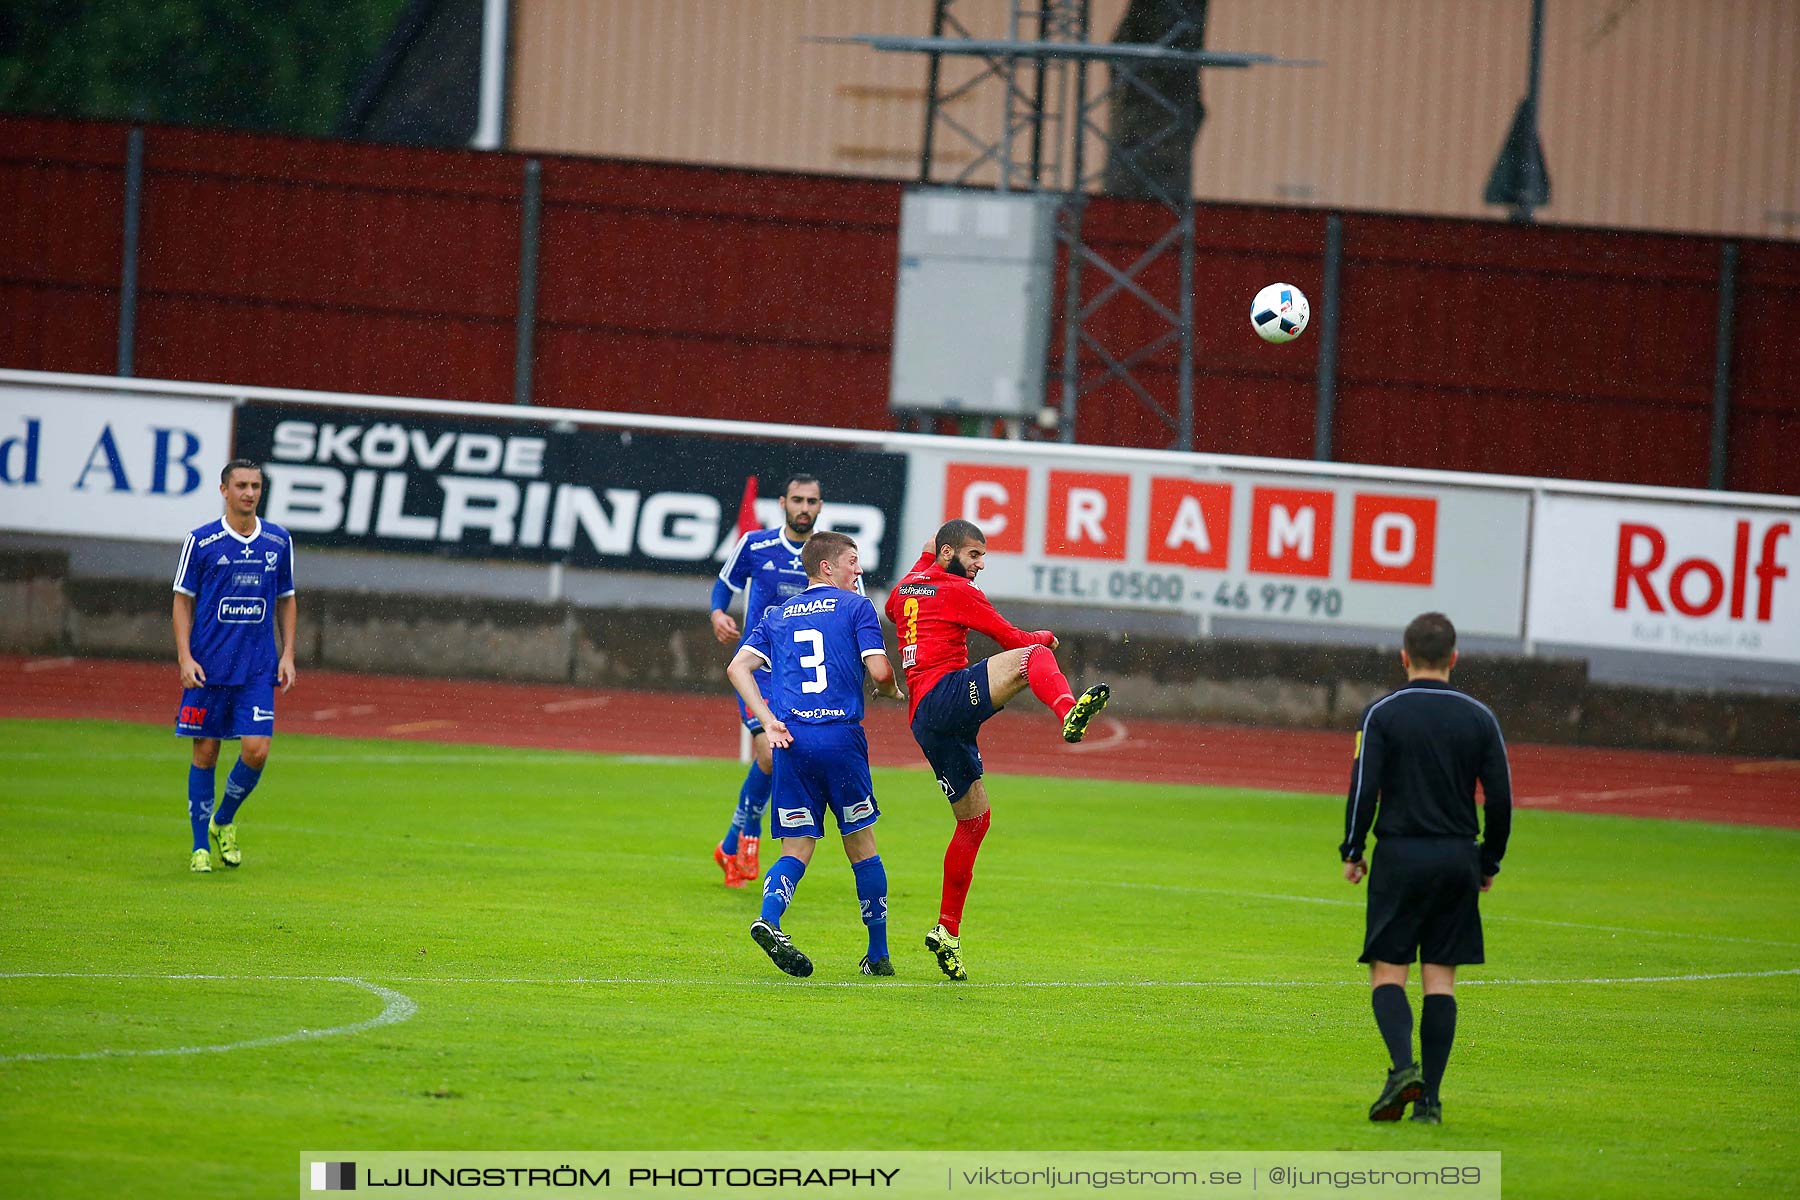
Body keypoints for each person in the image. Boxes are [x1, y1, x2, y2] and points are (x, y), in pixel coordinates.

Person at [884, 519, 1110, 981]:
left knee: (974, 821)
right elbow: (1014, 640)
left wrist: (930, 557)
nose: (980, 565)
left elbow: (893, 607)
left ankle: (947, 930)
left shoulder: (907, 587)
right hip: (945, 696)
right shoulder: (957, 591)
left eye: (983, 557)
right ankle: (1067, 711)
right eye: (973, 555)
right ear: (948, 554)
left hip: (926, 721)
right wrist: (1045, 637)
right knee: (1032, 659)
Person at [1339, 611, 1512, 1125]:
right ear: (1454, 658)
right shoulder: (1480, 718)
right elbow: (1500, 800)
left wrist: (1353, 848)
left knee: (1389, 970)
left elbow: (1363, 789)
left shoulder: (1381, 715)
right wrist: (1488, 860)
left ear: (1403, 656)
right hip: (1457, 856)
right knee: (1440, 979)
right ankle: (1430, 1102)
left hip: (1400, 854)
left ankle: (1401, 1070)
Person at [726, 531, 905, 978]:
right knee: (862, 848)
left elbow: (736, 668)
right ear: (827, 567)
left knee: (797, 848)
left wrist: (767, 722)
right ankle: (878, 953)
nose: (859, 570)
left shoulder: (778, 614)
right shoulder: (857, 607)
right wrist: (891, 691)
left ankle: (769, 920)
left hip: (793, 742)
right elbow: (880, 670)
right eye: (852, 561)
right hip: (840, 740)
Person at [172, 459, 298, 873]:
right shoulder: (202, 542)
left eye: (256, 485)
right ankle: (198, 847)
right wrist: (185, 656)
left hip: (257, 668)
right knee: (206, 752)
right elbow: (182, 599)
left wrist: (288, 653)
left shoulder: (278, 541)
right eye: (241, 485)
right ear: (223, 490)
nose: (249, 492)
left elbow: (287, 597)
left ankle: (223, 819)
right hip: (209, 667)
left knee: (256, 750)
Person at [708, 474, 831, 889]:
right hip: (757, 672)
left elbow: (853, 600)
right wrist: (718, 614)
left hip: (802, 680)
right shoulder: (757, 545)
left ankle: (729, 843)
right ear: (782, 502)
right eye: (797, 499)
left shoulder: (828, 555)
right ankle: (749, 836)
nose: (804, 507)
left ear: (820, 506)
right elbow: (724, 586)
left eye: (811, 501)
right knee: (767, 752)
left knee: (783, 758)